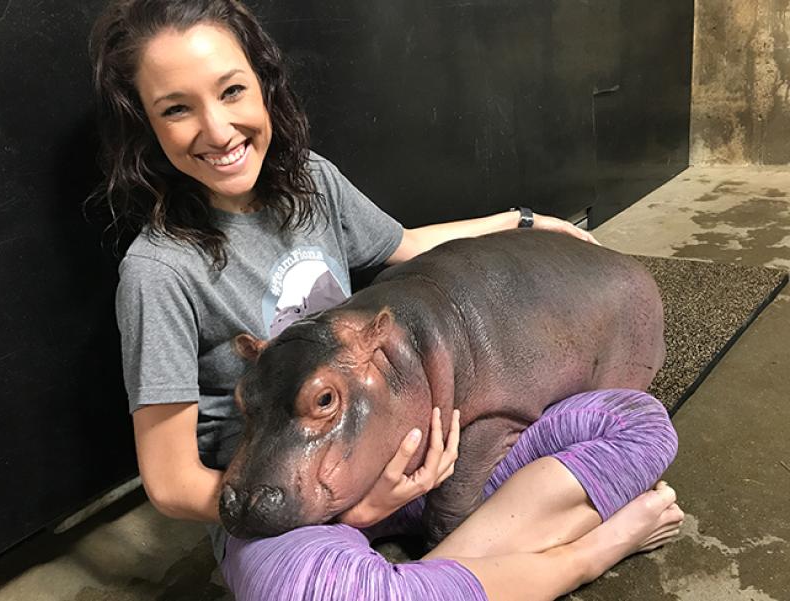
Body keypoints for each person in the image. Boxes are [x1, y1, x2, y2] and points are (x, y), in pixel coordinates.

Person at [89, 1, 684, 599]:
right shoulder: (159, 271)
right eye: (176, 109)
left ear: (263, 85)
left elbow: (406, 243)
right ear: (145, 124)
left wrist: (521, 221)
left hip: (406, 457)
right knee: (320, 591)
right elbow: (170, 483)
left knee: (642, 426)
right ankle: (591, 549)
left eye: (232, 91)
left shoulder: (310, 182)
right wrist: (357, 510)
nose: (218, 130)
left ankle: (421, 583)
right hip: (279, 503)